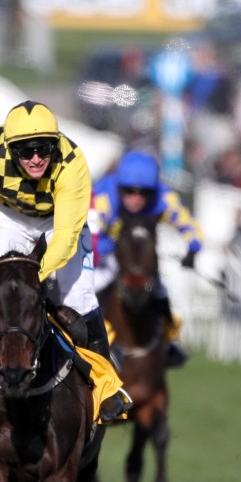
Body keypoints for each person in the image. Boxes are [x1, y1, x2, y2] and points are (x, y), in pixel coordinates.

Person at [0, 100, 129, 430]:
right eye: (25, 151)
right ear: (10, 149)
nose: (36, 158)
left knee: (79, 299)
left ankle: (107, 389)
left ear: (55, 144)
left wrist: (34, 279)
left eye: (44, 148)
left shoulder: (72, 165)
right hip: (9, 218)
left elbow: (64, 239)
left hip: (58, 223)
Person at [89, 150, 204, 368]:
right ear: (119, 187)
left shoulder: (164, 197)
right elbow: (90, 238)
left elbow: (189, 224)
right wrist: (110, 248)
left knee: (159, 289)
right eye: (129, 191)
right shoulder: (103, 197)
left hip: (139, 260)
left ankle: (170, 340)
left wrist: (192, 248)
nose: (136, 197)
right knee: (91, 287)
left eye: (143, 192)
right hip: (104, 257)